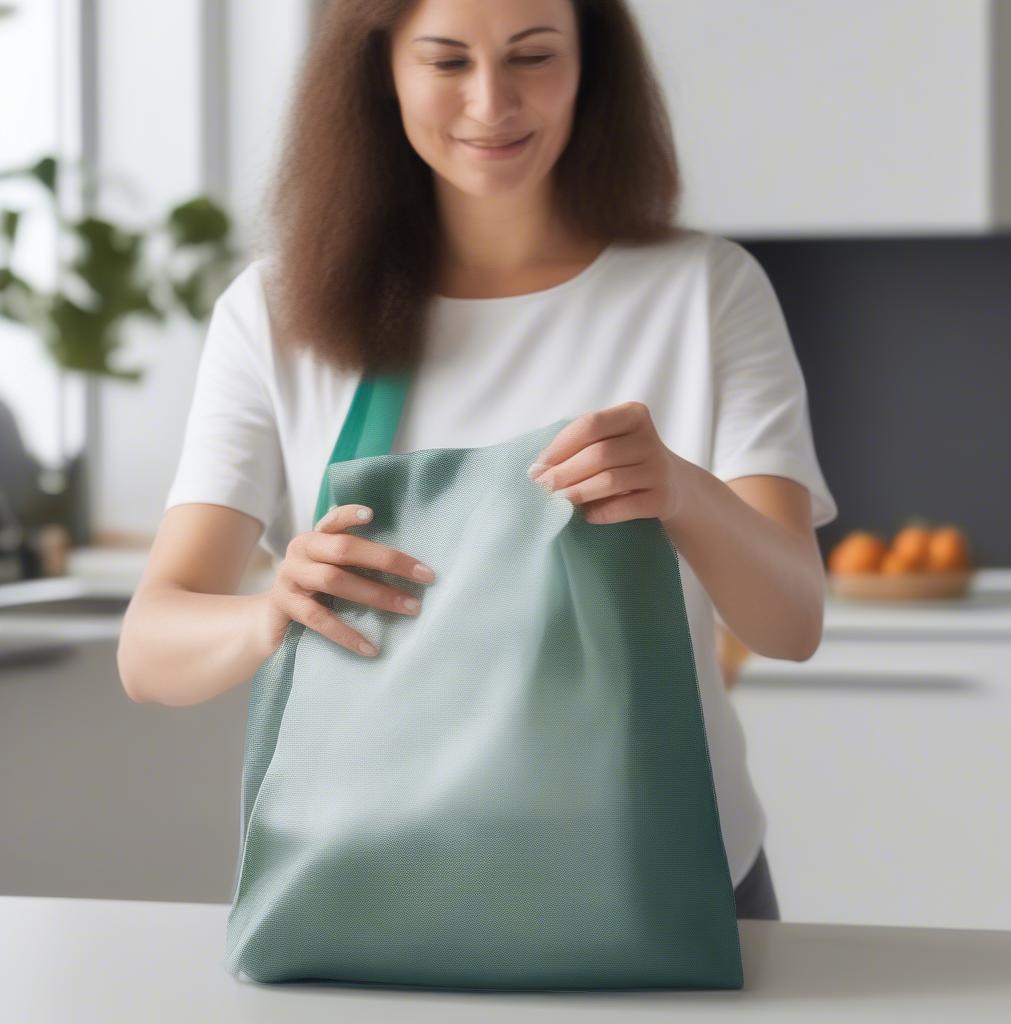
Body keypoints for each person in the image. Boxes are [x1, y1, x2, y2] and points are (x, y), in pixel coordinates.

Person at [117, 0, 838, 924]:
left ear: (591, 66)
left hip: (666, 885)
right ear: (383, 72)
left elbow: (792, 623)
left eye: (533, 56)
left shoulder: (704, 293)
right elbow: (150, 649)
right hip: (370, 889)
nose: (492, 102)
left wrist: (684, 492)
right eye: (447, 60)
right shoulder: (275, 313)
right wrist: (271, 612)